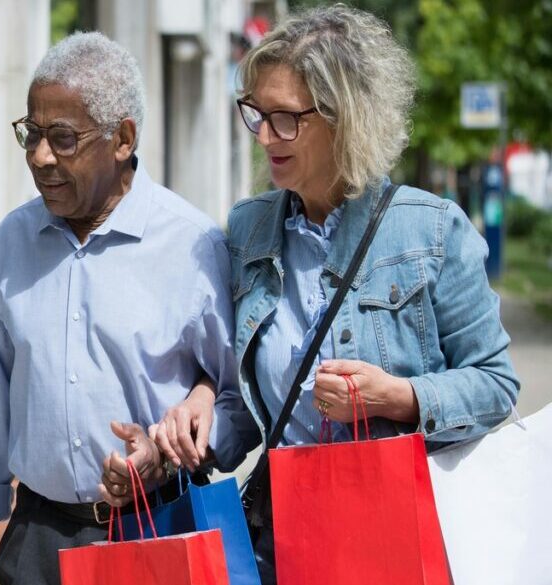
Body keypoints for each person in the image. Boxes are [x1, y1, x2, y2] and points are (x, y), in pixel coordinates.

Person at [148, 5, 521, 583]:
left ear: (344, 118)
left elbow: (496, 384)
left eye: (285, 119)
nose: (266, 136)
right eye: (257, 114)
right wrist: (199, 416)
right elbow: (251, 406)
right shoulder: (249, 230)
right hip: (280, 542)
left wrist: (396, 397)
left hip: (396, 541)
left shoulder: (431, 231)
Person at [0, 31, 239, 585]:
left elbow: (237, 403)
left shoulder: (194, 246)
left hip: (160, 533)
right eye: (31, 135)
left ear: (122, 138)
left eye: (62, 138)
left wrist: (166, 455)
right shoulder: (7, 246)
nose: (39, 157)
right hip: (35, 542)